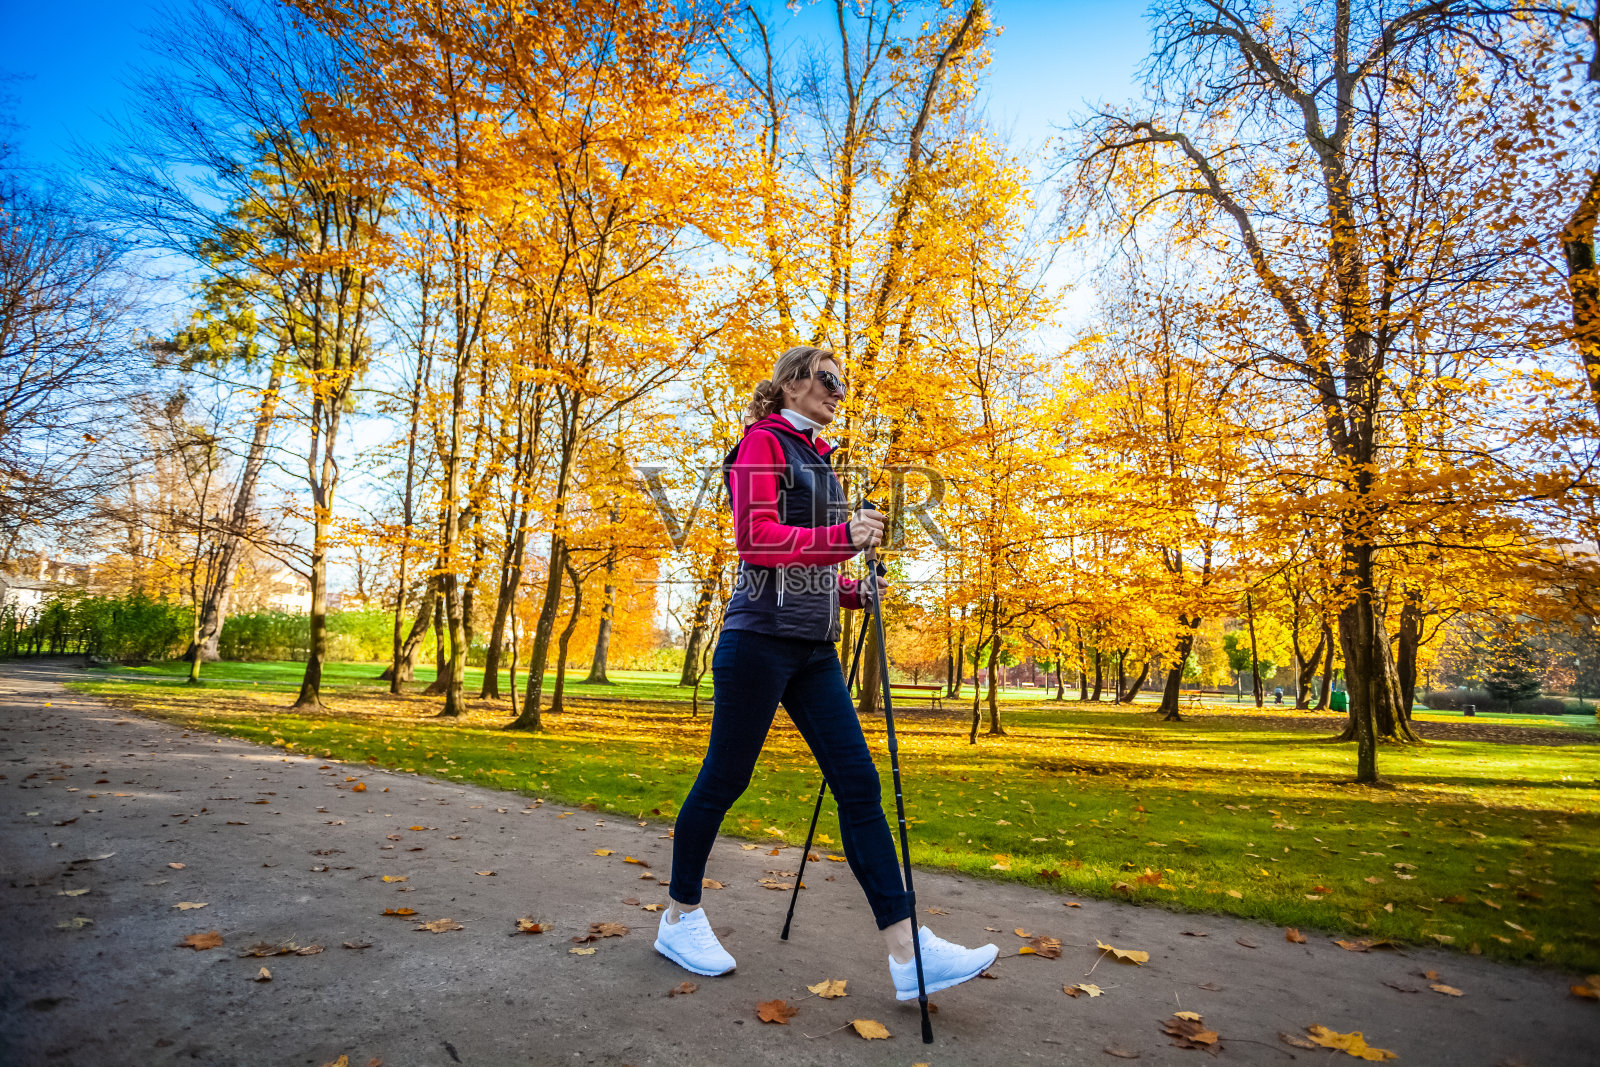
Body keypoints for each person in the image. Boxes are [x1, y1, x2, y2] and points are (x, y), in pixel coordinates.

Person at [654, 345, 998, 1000]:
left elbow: (806, 561)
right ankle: (679, 915)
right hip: (757, 641)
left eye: (845, 384)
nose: (839, 391)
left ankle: (908, 953)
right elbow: (756, 539)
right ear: (790, 384)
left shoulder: (820, 460)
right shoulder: (762, 443)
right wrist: (844, 540)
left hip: (814, 651)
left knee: (858, 783)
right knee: (726, 778)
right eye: (828, 379)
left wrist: (850, 591)